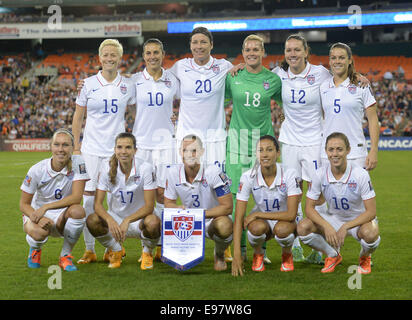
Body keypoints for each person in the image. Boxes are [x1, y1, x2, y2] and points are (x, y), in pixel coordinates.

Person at [72, 39, 136, 264]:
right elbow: (78, 117)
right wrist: (77, 148)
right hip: (90, 150)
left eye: (114, 55)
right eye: (106, 55)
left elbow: (143, 107)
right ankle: (90, 249)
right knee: (88, 203)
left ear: (120, 58)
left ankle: (113, 247)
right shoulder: (88, 84)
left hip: (115, 152)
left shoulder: (128, 85)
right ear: (99, 58)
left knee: (114, 202)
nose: (110, 58)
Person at [225, 34, 282, 263]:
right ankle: (238, 249)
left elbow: (287, 101)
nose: (251, 53)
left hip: (263, 145)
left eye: (256, 49)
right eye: (247, 49)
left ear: (263, 52)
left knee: (264, 198)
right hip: (237, 144)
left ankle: (261, 250)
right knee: (236, 201)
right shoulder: (233, 77)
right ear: (243, 52)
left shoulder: (274, 79)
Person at [297, 132, 380, 274]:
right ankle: (333, 255)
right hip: (334, 218)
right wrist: (327, 226)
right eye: (331, 149)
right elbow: (309, 208)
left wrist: (346, 227)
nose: (335, 154)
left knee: (371, 233)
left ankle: (364, 257)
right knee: (302, 228)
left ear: (348, 150)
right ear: (326, 152)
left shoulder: (360, 174)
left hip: (358, 221)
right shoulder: (319, 174)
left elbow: (371, 212)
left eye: (339, 149)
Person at [86, 132, 160, 270]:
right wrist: (109, 220)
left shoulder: (146, 168)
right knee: (92, 220)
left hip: (140, 220)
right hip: (116, 219)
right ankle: (116, 250)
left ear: (135, 150)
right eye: (119, 147)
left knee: (154, 222)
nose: (123, 151)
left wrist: (128, 220)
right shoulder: (106, 168)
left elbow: (150, 206)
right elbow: (97, 204)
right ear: (115, 149)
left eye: (128, 147)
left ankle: (147, 253)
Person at [19, 129, 89, 271]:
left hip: (62, 214)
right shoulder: (37, 170)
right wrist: (39, 217)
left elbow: (76, 197)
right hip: (37, 213)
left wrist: (47, 207)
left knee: (79, 211)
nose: (61, 149)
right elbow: (23, 204)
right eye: (57, 145)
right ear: (51, 146)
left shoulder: (78, 163)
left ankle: (65, 256)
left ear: (72, 147)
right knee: (39, 233)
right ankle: (35, 250)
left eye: (65, 145)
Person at [231, 135, 301, 276]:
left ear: (278, 153)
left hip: (287, 221)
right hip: (264, 222)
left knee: (281, 230)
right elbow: (239, 217)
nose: (265, 154)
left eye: (269, 150)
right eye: (260, 150)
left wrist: (257, 214)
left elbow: (291, 214)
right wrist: (236, 254)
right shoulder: (248, 176)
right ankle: (258, 255)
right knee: (255, 227)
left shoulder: (290, 173)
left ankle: (287, 255)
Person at [163, 135, 233, 271]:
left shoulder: (213, 171)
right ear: (180, 152)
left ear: (201, 152)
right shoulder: (172, 173)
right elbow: (168, 204)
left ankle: (219, 254)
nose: (189, 154)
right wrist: (178, 208)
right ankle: (182, 254)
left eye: (194, 150)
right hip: (188, 222)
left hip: (212, 221)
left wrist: (199, 214)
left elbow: (228, 207)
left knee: (225, 225)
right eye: (185, 150)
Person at [169, 27, 233, 169]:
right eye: (195, 42)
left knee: (217, 187)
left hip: (215, 139)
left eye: (203, 42)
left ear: (211, 44)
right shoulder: (180, 66)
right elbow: (160, 84)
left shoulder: (224, 66)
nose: (199, 46)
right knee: (186, 186)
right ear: (190, 45)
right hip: (187, 138)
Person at [320, 42, 380, 171]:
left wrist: (374, 150)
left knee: (356, 191)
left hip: (356, 153)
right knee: (327, 191)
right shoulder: (323, 86)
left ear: (349, 60)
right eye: (333, 58)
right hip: (328, 153)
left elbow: (373, 119)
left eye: (341, 57)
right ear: (329, 61)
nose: (337, 61)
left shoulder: (361, 85)